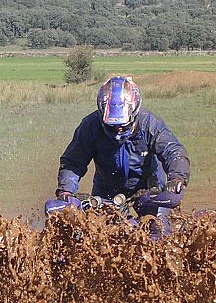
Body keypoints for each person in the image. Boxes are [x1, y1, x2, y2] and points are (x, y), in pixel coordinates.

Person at [56, 76, 190, 220]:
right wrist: (66, 191)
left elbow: (173, 151)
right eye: (112, 126)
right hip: (106, 189)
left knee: (159, 228)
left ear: (134, 113)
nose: (118, 131)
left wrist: (177, 177)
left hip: (149, 187)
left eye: (123, 126)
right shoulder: (90, 126)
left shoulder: (150, 123)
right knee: (99, 232)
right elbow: (73, 162)